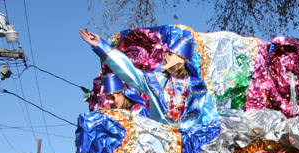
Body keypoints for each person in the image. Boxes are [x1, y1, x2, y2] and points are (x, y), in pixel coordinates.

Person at [79, 28, 219, 128]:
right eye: (166, 53)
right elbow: (129, 71)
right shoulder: (155, 82)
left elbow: (210, 119)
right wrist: (101, 46)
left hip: (190, 149)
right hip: (162, 148)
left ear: (182, 60)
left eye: (170, 54)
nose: (165, 56)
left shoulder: (199, 90)